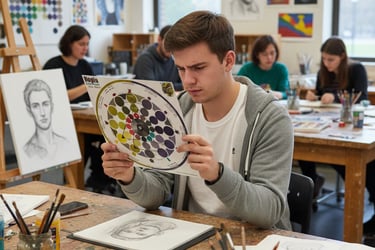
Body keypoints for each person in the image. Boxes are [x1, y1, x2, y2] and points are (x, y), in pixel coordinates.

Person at [101, 10, 294, 230]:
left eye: (199, 68)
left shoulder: (270, 117)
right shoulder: (178, 109)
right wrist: (129, 176)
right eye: (181, 69)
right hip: (193, 232)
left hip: (253, 239)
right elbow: (157, 194)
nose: (188, 80)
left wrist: (217, 175)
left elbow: (269, 212)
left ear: (228, 61)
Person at [299, 37, 375, 229]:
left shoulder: (355, 70)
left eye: (331, 60)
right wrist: (314, 95)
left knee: (349, 164)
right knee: (304, 145)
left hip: (351, 126)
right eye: (324, 59)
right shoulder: (322, 72)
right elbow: (319, 94)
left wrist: (333, 97)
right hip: (326, 124)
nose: (327, 63)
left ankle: (361, 197)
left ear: (342, 57)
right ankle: (312, 185)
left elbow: (363, 98)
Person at [43, 25, 116, 194]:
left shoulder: (84, 65)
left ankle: (100, 180)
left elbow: (93, 92)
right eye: (81, 44)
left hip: (84, 115)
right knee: (90, 142)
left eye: (87, 44)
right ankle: (78, 182)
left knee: (106, 136)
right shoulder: (53, 65)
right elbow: (56, 96)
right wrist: (87, 85)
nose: (85, 48)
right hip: (63, 121)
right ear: (69, 43)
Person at [23, 79, 69, 160]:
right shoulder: (26, 150)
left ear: (52, 106)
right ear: (29, 110)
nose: (42, 113)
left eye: (45, 104)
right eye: (35, 106)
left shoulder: (65, 143)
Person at [237, 35, 289, 99]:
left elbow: (287, 93)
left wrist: (279, 95)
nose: (269, 57)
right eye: (265, 54)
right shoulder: (247, 69)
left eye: (272, 53)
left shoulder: (281, 69)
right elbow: (237, 90)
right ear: (257, 55)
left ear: (277, 53)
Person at [132, 25, 183, 91]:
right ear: (159, 39)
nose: (172, 48)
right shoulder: (145, 59)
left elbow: (184, 83)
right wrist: (177, 86)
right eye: (168, 43)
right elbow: (152, 89)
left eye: (175, 44)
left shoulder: (174, 59)